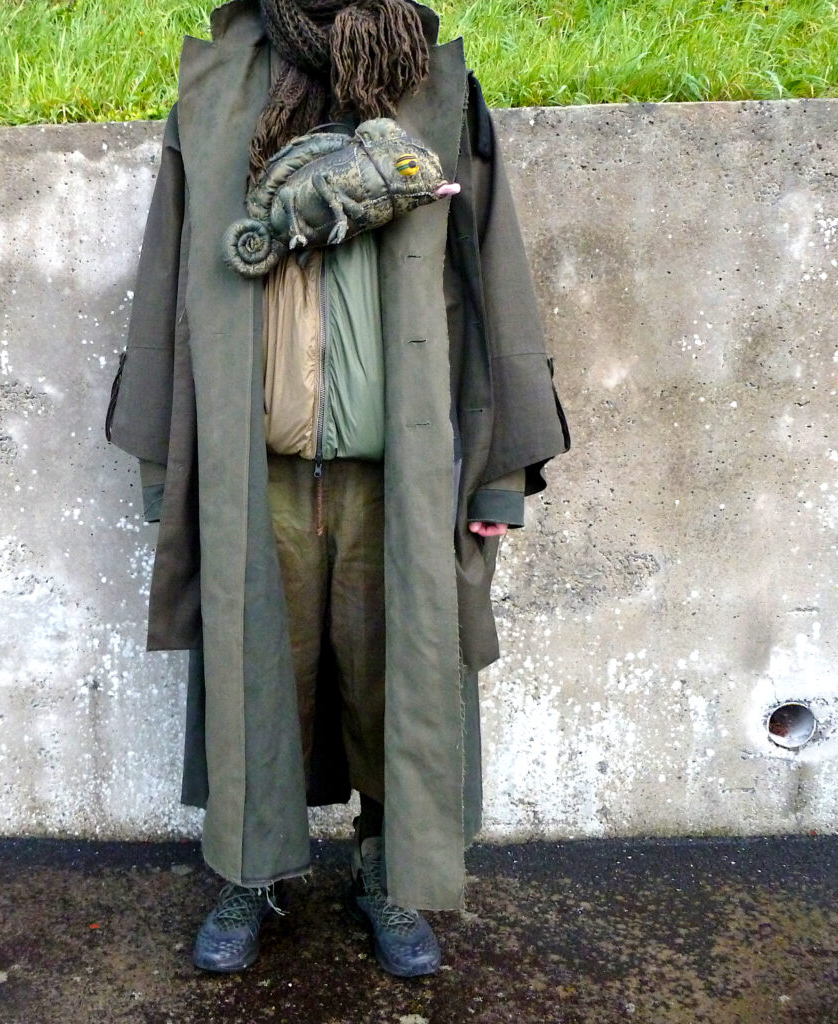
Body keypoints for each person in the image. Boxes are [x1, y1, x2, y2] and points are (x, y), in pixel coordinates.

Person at [105, 0, 569, 978]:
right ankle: (250, 871)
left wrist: (498, 476)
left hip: (396, 481)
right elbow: (170, 280)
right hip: (258, 471)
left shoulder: (436, 93)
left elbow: (493, 280)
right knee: (253, 680)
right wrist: (164, 473)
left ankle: (386, 870)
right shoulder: (217, 93)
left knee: (398, 681)